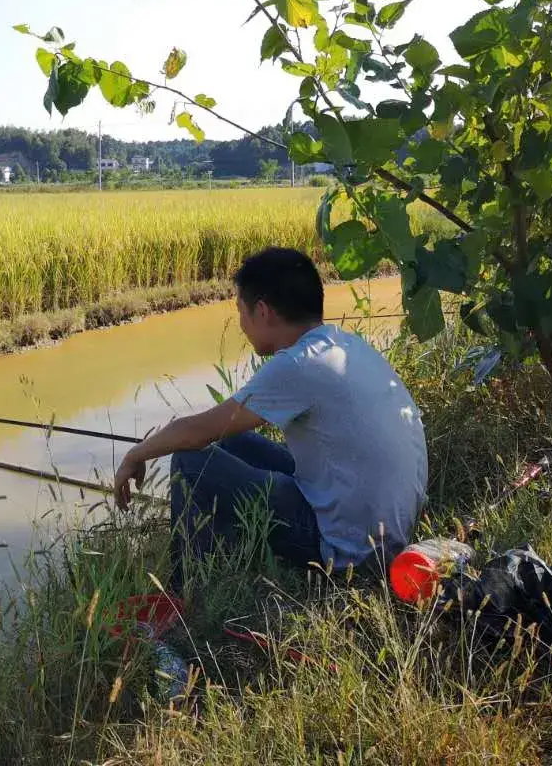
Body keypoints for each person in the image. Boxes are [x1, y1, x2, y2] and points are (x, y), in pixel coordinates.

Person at [112, 247, 428, 588]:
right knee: (231, 438)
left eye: (241, 312)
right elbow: (217, 428)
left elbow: (198, 431)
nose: (241, 325)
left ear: (262, 311)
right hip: (389, 528)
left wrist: (136, 453)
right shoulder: (341, 346)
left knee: (190, 463)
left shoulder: (298, 364)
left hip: (351, 550)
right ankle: (226, 556)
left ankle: (185, 591)